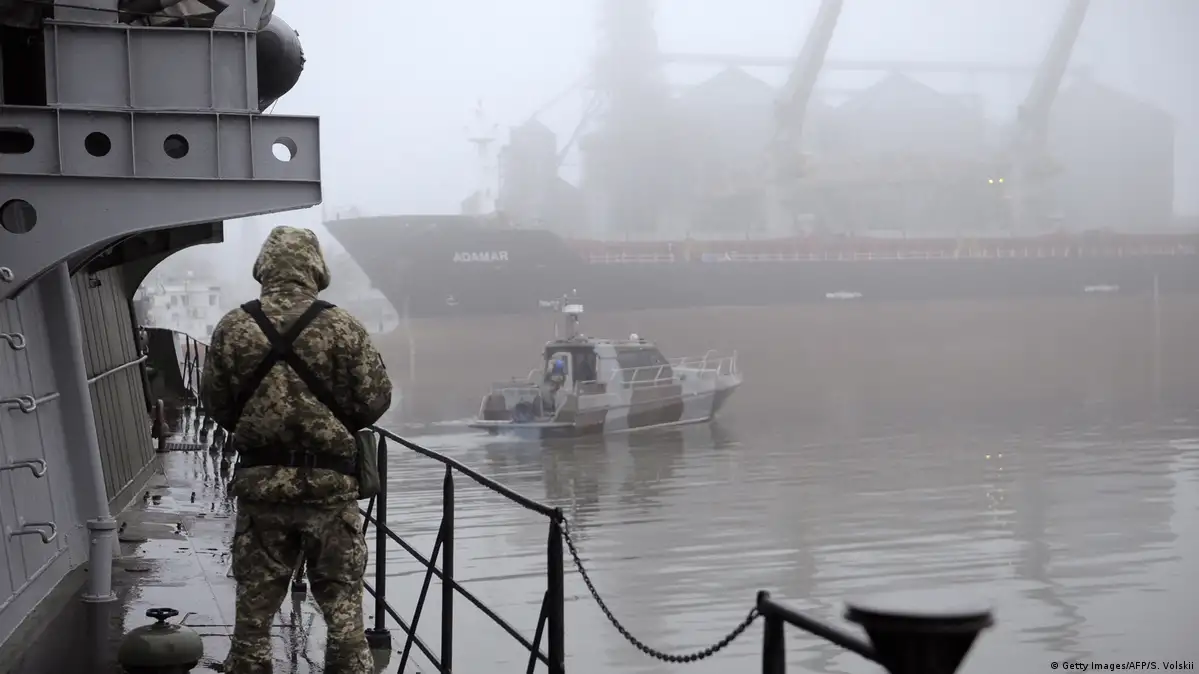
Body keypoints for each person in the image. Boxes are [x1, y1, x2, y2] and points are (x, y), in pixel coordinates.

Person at [200, 226, 392, 674]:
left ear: (264, 267)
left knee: (253, 615)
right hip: (330, 490)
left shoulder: (233, 326)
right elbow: (375, 400)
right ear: (315, 268)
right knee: (344, 614)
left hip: (261, 490)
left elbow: (216, 403)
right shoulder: (342, 325)